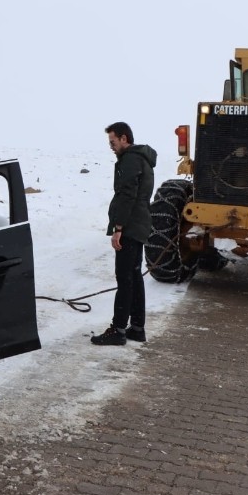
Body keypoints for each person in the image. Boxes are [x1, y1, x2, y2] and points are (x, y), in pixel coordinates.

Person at [91, 124, 157, 346]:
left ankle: (118, 330)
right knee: (135, 275)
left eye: (112, 142)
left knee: (125, 277)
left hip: (130, 226)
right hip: (139, 223)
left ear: (124, 138)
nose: (111, 146)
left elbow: (127, 194)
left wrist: (118, 229)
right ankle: (137, 328)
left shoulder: (130, 159)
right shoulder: (141, 158)